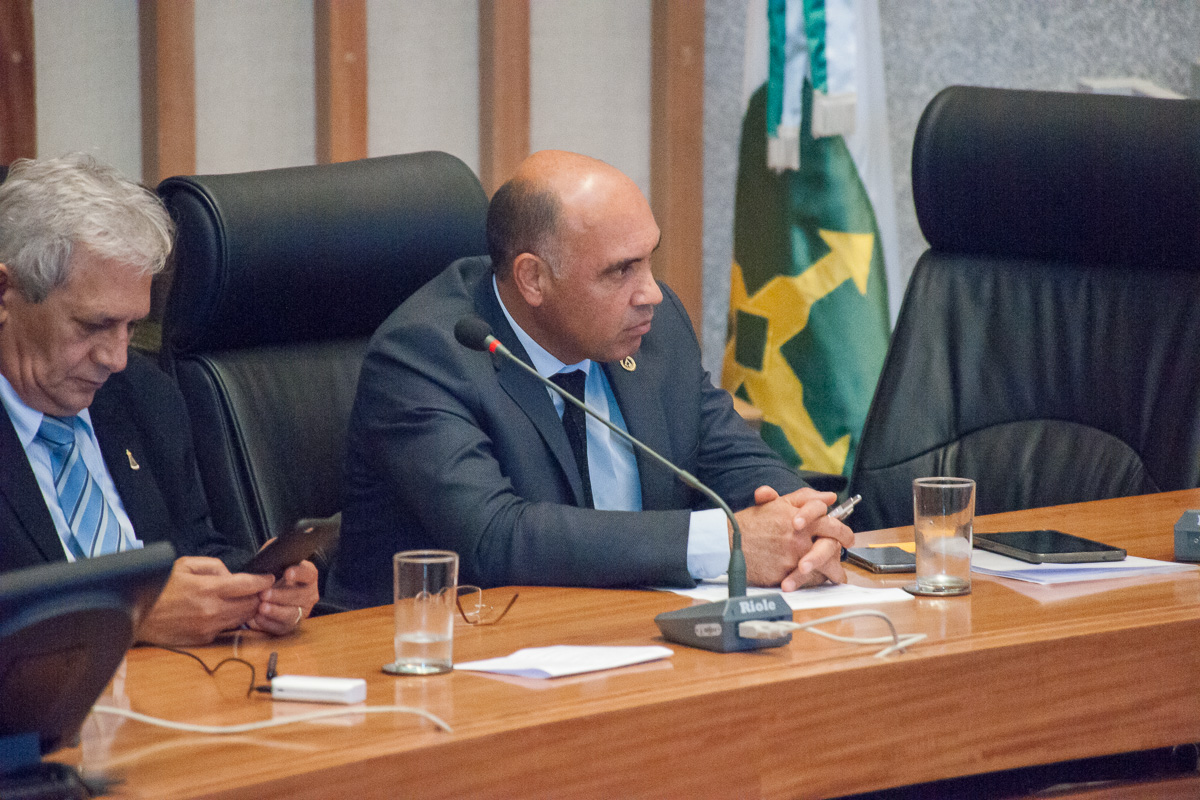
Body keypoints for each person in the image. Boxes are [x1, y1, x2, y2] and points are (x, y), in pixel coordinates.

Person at [327, 150, 853, 609]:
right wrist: (726, 541)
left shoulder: (654, 327)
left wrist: (804, 522)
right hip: (437, 654)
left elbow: (729, 454)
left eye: (649, 260)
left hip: (621, 635)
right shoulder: (427, 356)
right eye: (620, 270)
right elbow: (496, 537)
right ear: (533, 278)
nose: (651, 292)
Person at [0, 154, 318, 646]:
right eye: (95, 325)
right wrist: (130, 617)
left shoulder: (142, 394)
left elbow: (193, 548)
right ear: (5, 293)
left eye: (132, 326)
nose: (116, 358)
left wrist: (257, 587)